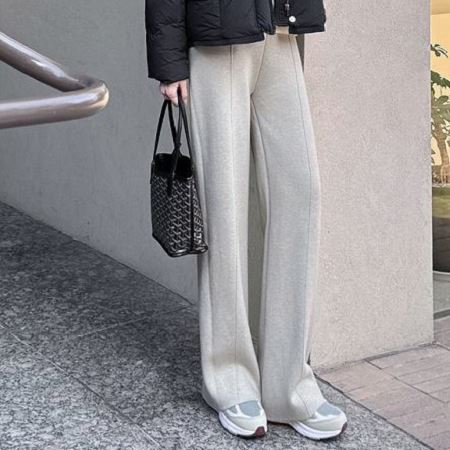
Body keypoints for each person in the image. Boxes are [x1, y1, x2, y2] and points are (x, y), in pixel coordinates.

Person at [145, 0, 348, 440]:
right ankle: (230, 380)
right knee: (224, 208)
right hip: (216, 41)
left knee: (301, 192)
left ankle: (288, 384)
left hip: (279, 33)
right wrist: (169, 63)